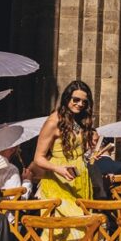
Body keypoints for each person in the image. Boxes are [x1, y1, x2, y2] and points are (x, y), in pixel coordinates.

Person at [33, 81, 98, 221]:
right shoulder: (53, 122)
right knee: (69, 226)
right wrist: (59, 169)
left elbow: (77, 150)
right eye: (76, 100)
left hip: (80, 178)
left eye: (84, 102)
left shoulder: (79, 120)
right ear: (67, 99)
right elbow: (38, 158)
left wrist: (91, 148)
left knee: (84, 225)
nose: (80, 104)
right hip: (58, 179)